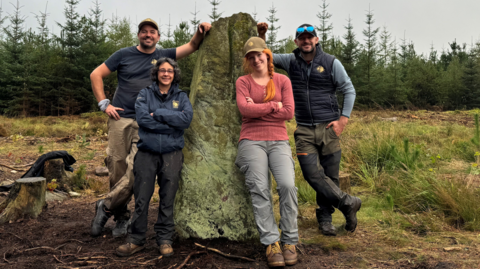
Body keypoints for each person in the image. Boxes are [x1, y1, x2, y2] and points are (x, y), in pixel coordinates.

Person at [90, 18, 210, 238]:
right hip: (120, 118)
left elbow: (193, 45)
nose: (148, 35)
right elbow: (96, 74)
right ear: (138, 35)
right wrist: (104, 104)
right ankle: (121, 216)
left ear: (158, 36)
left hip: (147, 123)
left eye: (152, 32)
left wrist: (200, 30)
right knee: (116, 166)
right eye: (144, 31)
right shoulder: (123, 55)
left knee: (135, 172)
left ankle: (106, 205)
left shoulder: (163, 57)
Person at [257, 23, 362, 236]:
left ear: (316, 39)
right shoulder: (290, 61)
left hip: (329, 127)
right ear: (296, 42)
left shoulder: (331, 62)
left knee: (330, 176)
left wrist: (343, 121)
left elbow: (349, 90)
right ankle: (348, 202)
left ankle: (325, 220)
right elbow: (263, 57)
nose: (306, 41)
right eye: (301, 38)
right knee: (312, 174)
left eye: (309, 37)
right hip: (304, 129)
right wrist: (262, 35)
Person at [115, 57, 192, 257]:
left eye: (170, 71)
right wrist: (170, 122)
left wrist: (157, 113)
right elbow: (142, 120)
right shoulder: (144, 94)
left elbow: (186, 120)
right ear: (156, 73)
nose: (166, 74)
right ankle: (136, 239)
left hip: (172, 154)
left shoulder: (182, 96)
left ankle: (164, 239)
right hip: (147, 153)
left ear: (174, 74)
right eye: (162, 70)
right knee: (142, 198)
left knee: (167, 198)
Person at [235, 37, 298, 268]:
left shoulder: (282, 80)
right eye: (250, 56)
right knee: (260, 189)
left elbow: (289, 113)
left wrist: (257, 109)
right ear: (247, 61)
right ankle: (272, 242)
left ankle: (290, 240)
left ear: (267, 55)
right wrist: (273, 106)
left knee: (287, 185)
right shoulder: (243, 81)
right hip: (251, 140)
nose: (256, 59)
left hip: (279, 140)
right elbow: (244, 109)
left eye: (259, 54)